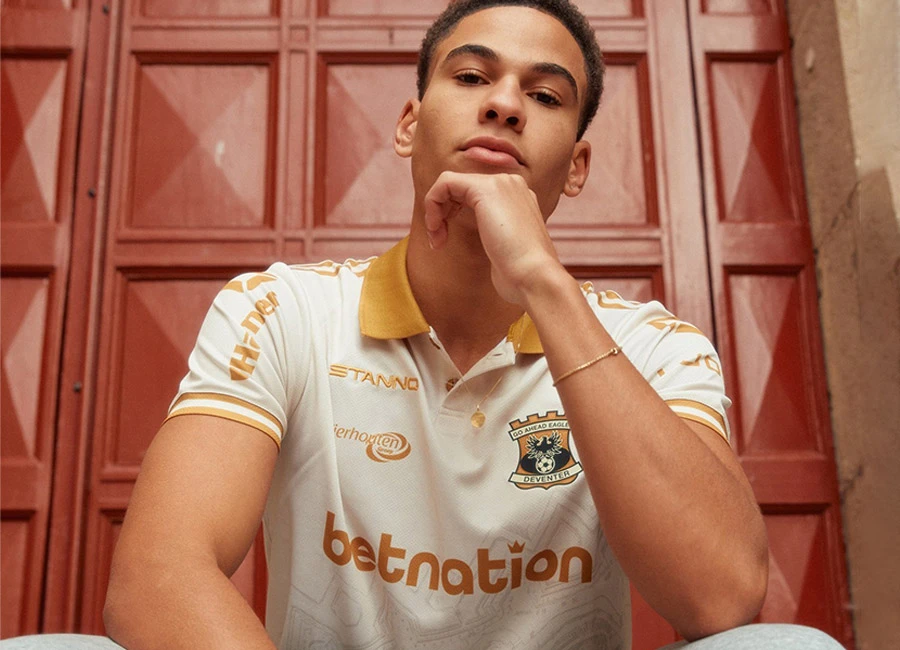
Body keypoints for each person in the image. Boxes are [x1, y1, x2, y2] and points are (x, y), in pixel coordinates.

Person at [3, 1, 845, 649]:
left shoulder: (657, 346)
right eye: (472, 78)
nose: (505, 104)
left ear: (577, 167)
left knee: (788, 649)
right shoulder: (285, 310)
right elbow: (157, 576)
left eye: (545, 94)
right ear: (410, 125)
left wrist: (545, 286)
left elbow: (721, 594)